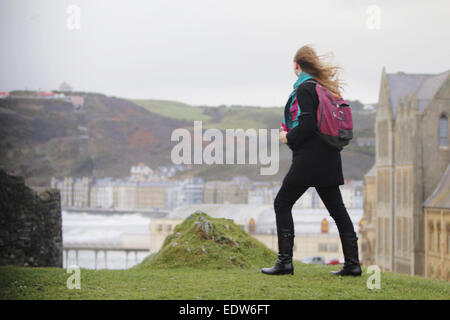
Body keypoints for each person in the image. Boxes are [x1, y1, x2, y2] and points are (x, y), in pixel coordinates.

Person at [261, 45, 361, 277]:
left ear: (296, 65)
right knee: (338, 212)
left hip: (309, 160)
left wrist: (288, 137)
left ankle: (285, 262)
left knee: (282, 204)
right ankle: (353, 264)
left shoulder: (306, 88)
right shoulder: (322, 88)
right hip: (329, 157)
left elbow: (307, 126)